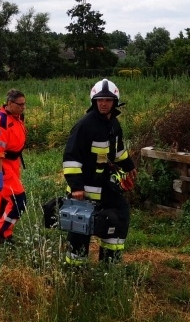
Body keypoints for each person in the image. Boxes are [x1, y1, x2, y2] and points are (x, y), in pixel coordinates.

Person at [62, 78, 137, 264]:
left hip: (105, 186)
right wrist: (76, 187)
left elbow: (118, 152)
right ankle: (75, 269)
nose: (103, 104)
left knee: (119, 216)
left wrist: (129, 166)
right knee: (80, 228)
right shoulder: (85, 125)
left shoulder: (114, 124)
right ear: (94, 101)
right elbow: (71, 156)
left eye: (108, 100)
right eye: (100, 100)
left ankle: (109, 264)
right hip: (85, 189)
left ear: (115, 102)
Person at [0, 89, 28, 244]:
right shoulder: (0, 122)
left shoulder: (16, 117)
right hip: (1, 164)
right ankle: (0, 233)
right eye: (20, 104)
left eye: (24, 104)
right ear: (10, 103)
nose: (23, 107)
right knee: (19, 201)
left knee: (4, 200)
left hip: (13, 163)